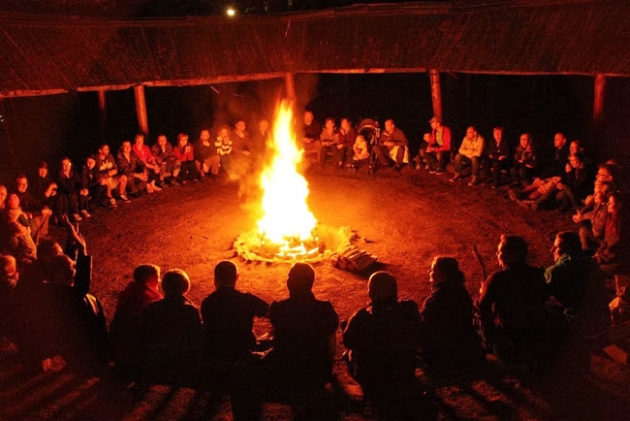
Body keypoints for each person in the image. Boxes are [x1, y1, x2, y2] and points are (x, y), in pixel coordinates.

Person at [343, 271, 422, 418]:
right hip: (404, 372)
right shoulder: (410, 309)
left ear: (371, 292)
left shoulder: (362, 317)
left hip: (374, 380)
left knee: (348, 354)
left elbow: (348, 341)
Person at [201, 261, 269, 420]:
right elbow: (272, 313)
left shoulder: (207, 303)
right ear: (236, 277)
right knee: (269, 342)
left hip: (216, 356)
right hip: (242, 357)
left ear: (215, 278)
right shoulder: (246, 299)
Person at [265, 263, 339, 394]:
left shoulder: (278, 309)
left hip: (285, 374)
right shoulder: (326, 310)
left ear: (291, 283)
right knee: (331, 336)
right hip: (317, 375)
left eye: (289, 277)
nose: (287, 280)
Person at [476, 235, 550, 363]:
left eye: (500, 251)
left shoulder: (498, 278)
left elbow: (481, 306)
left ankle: (489, 347)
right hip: (534, 337)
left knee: (479, 314)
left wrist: (483, 291)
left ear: (512, 254)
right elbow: (543, 297)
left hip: (509, 342)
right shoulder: (537, 274)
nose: (497, 254)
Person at [419, 257, 484, 370]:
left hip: (446, 358)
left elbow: (424, 325)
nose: (429, 271)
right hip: (468, 353)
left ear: (443, 276)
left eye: (433, 269)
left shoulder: (436, 299)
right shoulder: (462, 292)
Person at [140, 269, 202, 384]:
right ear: (185, 287)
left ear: (164, 286)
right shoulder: (189, 310)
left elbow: (144, 334)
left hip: (156, 361)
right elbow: (196, 338)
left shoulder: (153, 308)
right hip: (181, 363)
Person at [545, 231, 609, 336]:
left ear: (568, 249)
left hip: (579, 328)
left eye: (557, 247)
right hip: (603, 324)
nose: (552, 250)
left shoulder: (556, 271)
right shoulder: (592, 263)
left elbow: (537, 294)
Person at [109, 264, 163, 377]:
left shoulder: (127, 293)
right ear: (150, 280)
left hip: (118, 347)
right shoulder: (149, 299)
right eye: (157, 277)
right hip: (136, 351)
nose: (159, 280)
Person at [13, 174, 53, 243]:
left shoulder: (24, 193)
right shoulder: (14, 197)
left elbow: (32, 202)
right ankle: (35, 241)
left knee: (45, 209)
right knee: (37, 219)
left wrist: (42, 207)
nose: (24, 186)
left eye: (25, 183)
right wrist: (40, 212)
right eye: (21, 184)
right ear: (16, 184)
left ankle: (42, 234)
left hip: (28, 214)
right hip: (21, 218)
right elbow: (20, 215)